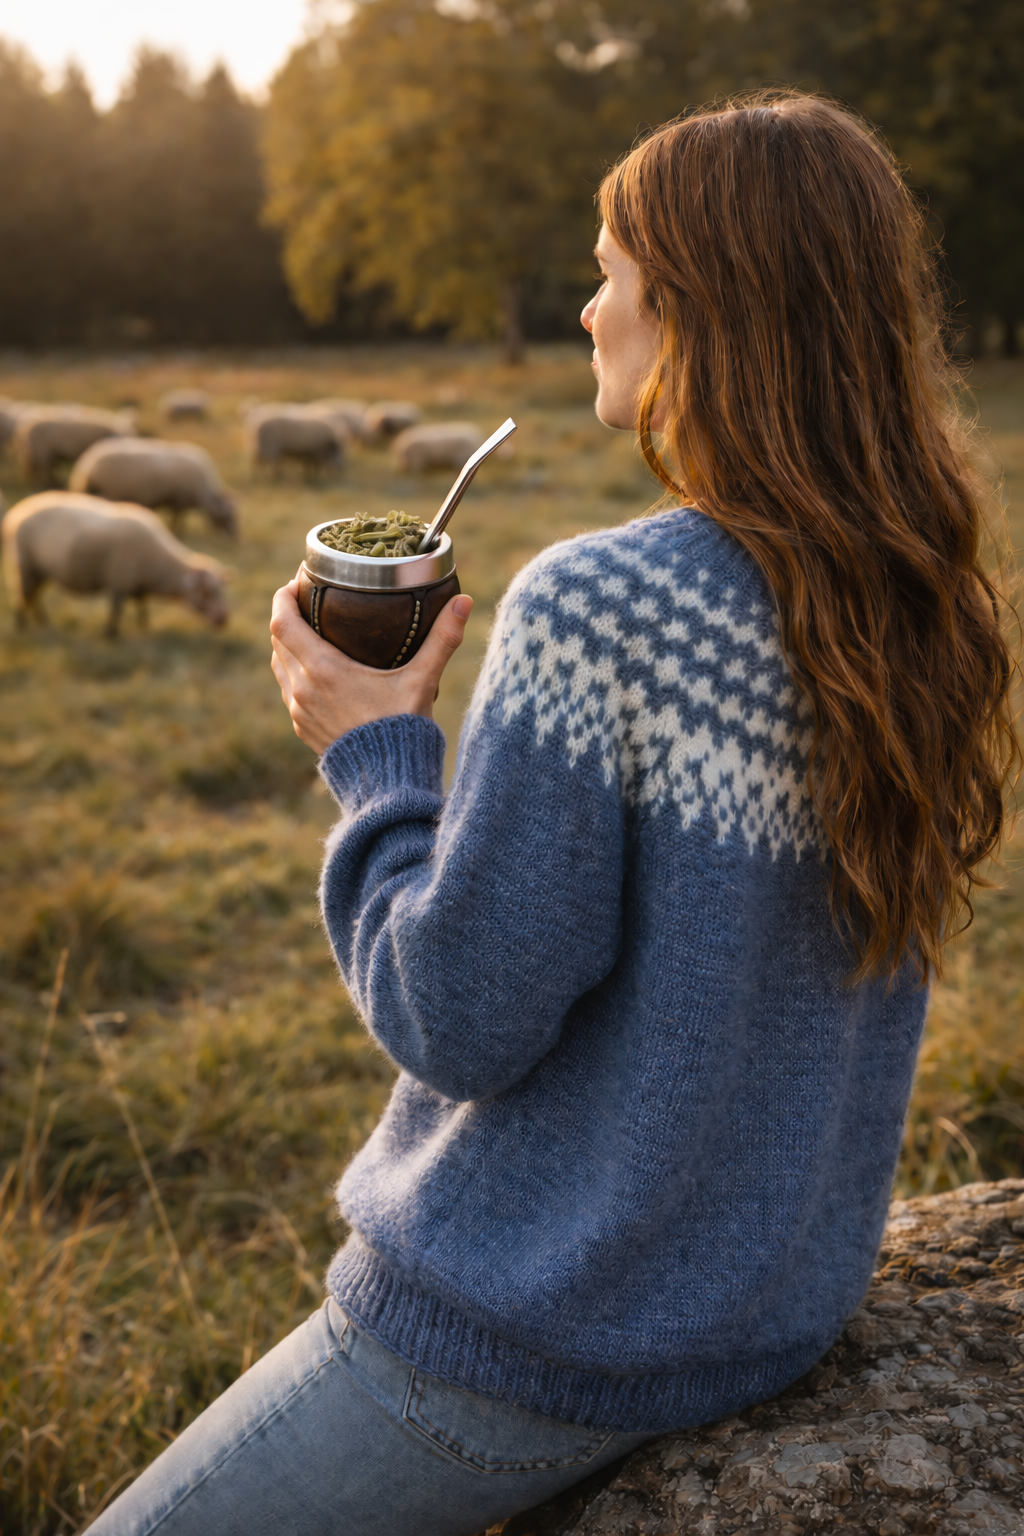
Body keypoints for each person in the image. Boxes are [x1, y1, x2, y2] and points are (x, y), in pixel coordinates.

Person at [91, 90, 1017, 1536]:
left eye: (607, 272)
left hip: (534, 1341)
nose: (590, 312)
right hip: (769, 1308)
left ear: (693, 306)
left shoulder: (606, 610)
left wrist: (378, 754)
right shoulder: (923, 605)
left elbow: (457, 1015)